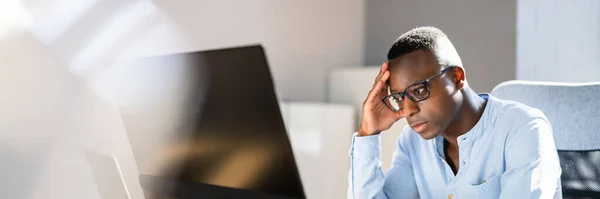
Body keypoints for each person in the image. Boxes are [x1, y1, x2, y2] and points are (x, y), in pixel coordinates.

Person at [347, 26, 562, 199]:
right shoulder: (412, 142)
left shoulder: (523, 128)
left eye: (419, 90)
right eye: (399, 98)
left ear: (457, 77)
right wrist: (368, 133)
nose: (408, 111)